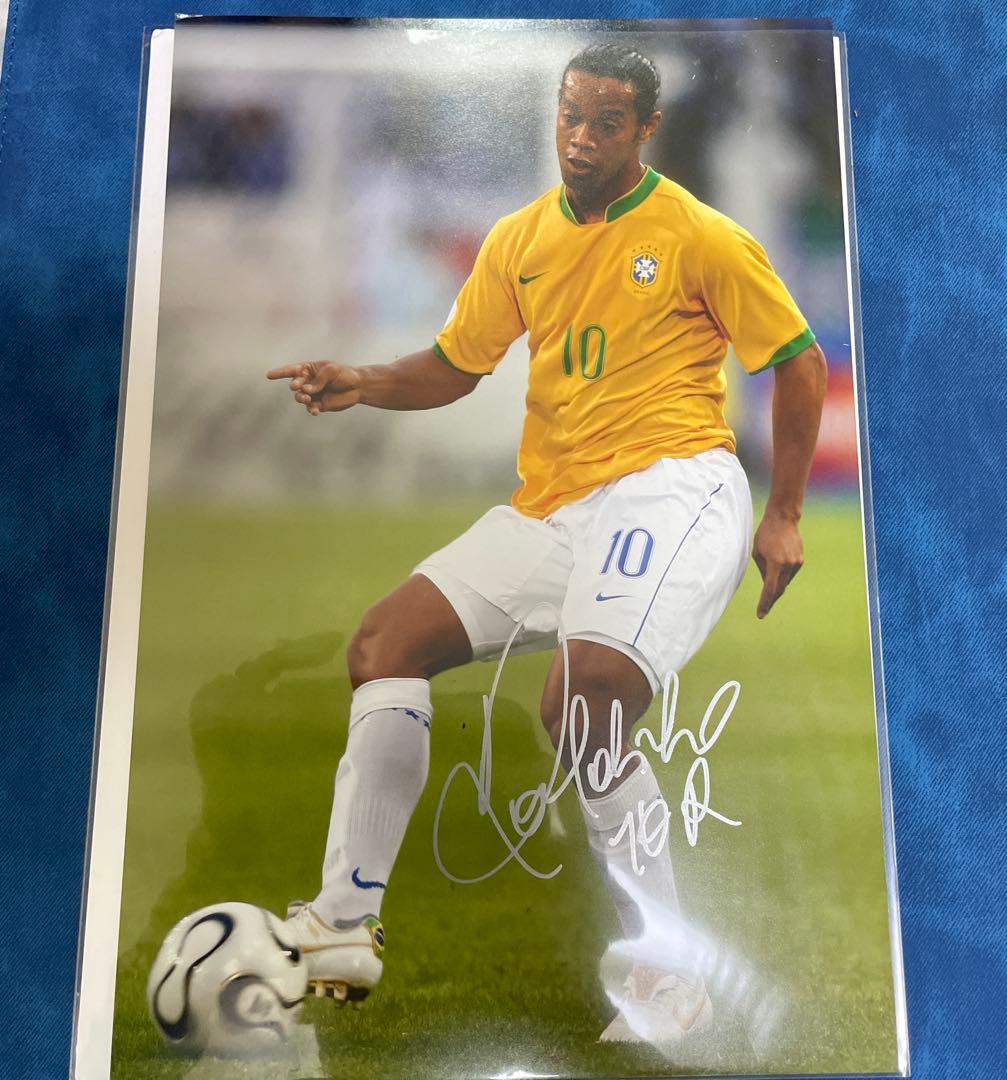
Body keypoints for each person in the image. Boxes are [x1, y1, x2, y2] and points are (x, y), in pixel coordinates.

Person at [267, 42, 827, 1043]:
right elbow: (456, 364)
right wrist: (364, 380)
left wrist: (782, 511)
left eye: (606, 121)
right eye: (571, 116)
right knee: (384, 647)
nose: (581, 137)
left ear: (645, 128)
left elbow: (798, 360)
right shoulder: (520, 238)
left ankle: (670, 974)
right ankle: (343, 926)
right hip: (554, 506)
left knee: (585, 701)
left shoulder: (700, 236)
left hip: (670, 487)